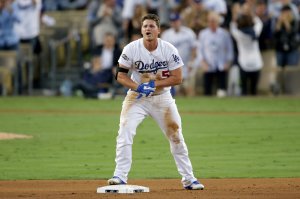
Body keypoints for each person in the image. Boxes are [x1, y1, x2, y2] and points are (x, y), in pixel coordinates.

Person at [107, 13, 204, 190]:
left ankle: (189, 179)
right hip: (137, 98)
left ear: (158, 30)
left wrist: (154, 83)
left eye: (151, 26)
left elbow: (178, 78)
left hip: (162, 98)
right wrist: (138, 87)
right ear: (141, 30)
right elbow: (120, 75)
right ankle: (119, 176)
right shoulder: (131, 48)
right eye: (145, 26)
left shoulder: (168, 49)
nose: (148, 29)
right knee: (125, 132)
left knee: (176, 136)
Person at [161, 12, 198, 96]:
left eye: (176, 21)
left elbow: (194, 48)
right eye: (173, 21)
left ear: (180, 21)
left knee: (188, 88)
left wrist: (191, 63)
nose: (175, 23)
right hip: (173, 66)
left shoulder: (189, 32)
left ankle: (192, 107)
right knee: (177, 90)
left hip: (187, 64)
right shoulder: (166, 34)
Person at [198, 11, 234, 97]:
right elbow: (200, 50)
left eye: (214, 21)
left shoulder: (224, 34)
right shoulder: (203, 34)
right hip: (208, 65)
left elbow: (230, 49)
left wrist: (227, 63)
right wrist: (203, 63)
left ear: (218, 21)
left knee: (222, 92)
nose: (212, 23)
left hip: (221, 65)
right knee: (207, 91)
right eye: (210, 21)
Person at [230, 3, 263, 95]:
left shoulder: (239, 35)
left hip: (244, 63)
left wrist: (236, 15)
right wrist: (251, 14)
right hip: (256, 63)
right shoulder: (255, 32)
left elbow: (232, 27)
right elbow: (259, 23)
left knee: (244, 90)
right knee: (253, 90)